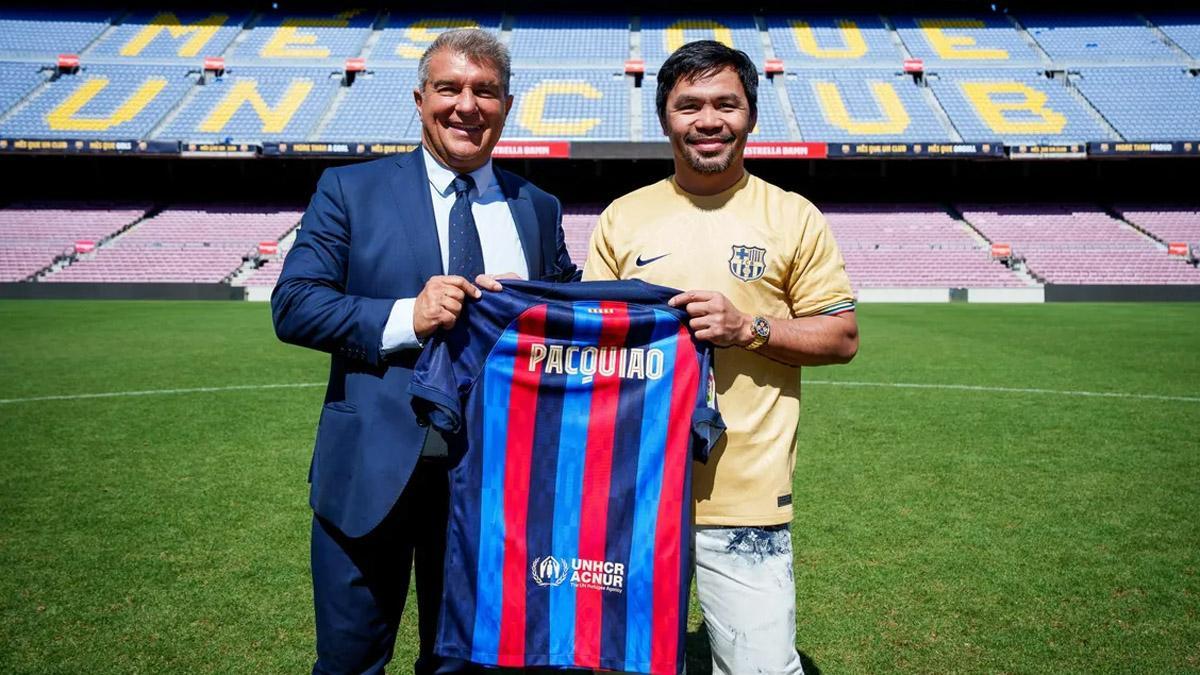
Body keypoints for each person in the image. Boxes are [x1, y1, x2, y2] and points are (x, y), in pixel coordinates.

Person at [272, 29, 577, 675]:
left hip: (494, 483)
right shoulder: (350, 190)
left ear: (507, 104)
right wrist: (407, 315)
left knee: (466, 663)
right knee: (351, 662)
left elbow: (570, 322)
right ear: (420, 99)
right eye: (450, 88)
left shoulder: (538, 208)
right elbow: (295, 304)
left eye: (485, 91)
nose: (467, 105)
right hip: (370, 474)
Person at [583, 41, 859, 675]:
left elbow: (842, 336)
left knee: (760, 668)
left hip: (746, 497)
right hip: (634, 492)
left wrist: (747, 327)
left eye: (726, 104)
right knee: (623, 661)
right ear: (664, 119)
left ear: (751, 116)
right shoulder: (623, 219)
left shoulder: (793, 216)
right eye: (689, 105)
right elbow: (592, 342)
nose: (708, 120)